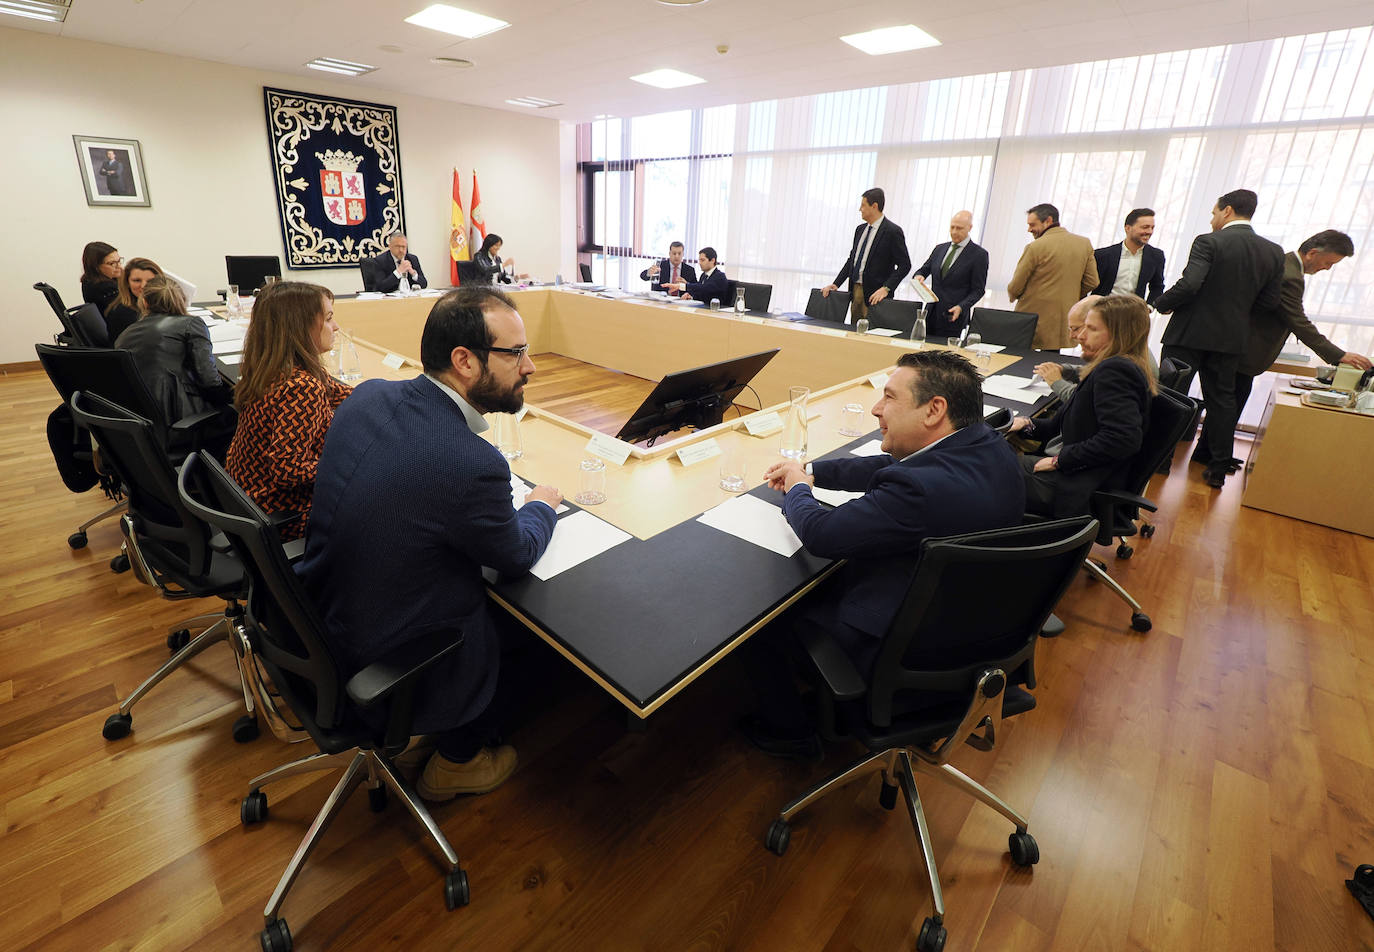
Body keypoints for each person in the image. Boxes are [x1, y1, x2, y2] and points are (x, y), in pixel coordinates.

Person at [299, 286, 561, 801]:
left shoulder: (370, 394)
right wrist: (542, 506)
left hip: (321, 614)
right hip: (386, 653)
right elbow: (515, 553)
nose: (529, 366)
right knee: (533, 633)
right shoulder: (470, 463)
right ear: (464, 361)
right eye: (516, 354)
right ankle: (458, 760)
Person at [739, 350, 1025, 759]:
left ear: (934, 410)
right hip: (974, 622)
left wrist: (799, 490)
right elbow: (891, 468)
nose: (877, 408)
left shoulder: (920, 492)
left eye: (889, 397)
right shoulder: (987, 445)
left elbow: (821, 533)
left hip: (908, 642)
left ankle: (790, 733)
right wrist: (814, 472)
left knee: (762, 615)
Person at [1154, 188, 1284, 489]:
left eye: (1214, 212)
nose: (1212, 219)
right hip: (1230, 339)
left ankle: (1159, 461)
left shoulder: (1208, 241)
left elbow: (1190, 284)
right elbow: (1268, 302)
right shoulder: (1273, 252)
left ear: (1226, 211)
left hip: (1188, 333)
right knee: (1223, 400)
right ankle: (1217, 467)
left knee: (1171, 395)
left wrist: (1159, 303)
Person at [225, 282, 351, 542]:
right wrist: (350, 465)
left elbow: (341, 393)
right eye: (328, 319)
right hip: (281, 515)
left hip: (246, 503)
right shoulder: (301, 387)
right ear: (300, 328)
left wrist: (394, 392)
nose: (336, 326)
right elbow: (288, 470)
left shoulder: (273, 366)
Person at [1010, 295, 1156, 517]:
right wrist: (1025, 424)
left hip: (1077, 483)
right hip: (1076, 472)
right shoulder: (1108, 366)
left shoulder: (1115, 371)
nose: (1081, 336)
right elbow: (1057, 428)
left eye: (1092, 329)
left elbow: (1123, 438)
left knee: (982, 467)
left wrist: (1060, 461)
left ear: (1118, 335)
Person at [1237, 229, 1371, 418]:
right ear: (1312, 253)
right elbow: (1298, 321)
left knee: (1223, 417)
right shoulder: (1290, 275)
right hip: (1243, 354)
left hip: (1240, 351)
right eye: (1329, 263)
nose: (1327, 269)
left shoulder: (1284, 263)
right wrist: (1339, 355)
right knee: (1225, 419)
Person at [113, 275, 234, 450]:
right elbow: (210, 381)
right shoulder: (191, 324)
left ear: (144, 302)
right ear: (182, 299)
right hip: (180, 423)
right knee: (242, 414)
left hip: (137, 424)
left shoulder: (126, 333)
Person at [1007, 203, 1100, 349]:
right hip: (1064, 318)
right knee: (1052, 362)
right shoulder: (1084, 244)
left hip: (1032, 318)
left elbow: (1017, 284)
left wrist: (1013, 295)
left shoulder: (1035, 247)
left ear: (1048, 221)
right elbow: (1093, 281)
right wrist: (1071, 294)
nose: (1029, 229)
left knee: (1022, 363)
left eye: (1032, 224)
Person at [1033, 294, 1159, 401]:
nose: (1077, 336)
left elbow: (1082, 401)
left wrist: (1056, 381)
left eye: (1091, 328)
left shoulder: (1120, 370)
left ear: (1114, 331)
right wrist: (1066, 370)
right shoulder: (1127, 355)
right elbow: (1095, 379)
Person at [821, 187, 912, 325]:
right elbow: (852, 260)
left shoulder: (893, 231)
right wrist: (836, 283)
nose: (860, 209)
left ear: (874, 206)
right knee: (854, 332)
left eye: (863, 205)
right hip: (856, 291)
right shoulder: (860, 230)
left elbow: (905, 265)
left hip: (877, 296)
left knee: (872, 334)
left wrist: (887, 288)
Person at [912, 209, 988, 338]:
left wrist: (961, 307)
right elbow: (924, 269)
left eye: (959, 228)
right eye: (952, 227)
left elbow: (978, 290)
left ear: (969, 228)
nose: (954, 232)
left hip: (953, 316)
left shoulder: (979, 255)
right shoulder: (940, 249)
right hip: (931, 313)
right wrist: (919, 276)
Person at [1092, 208, 1166, 305]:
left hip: (1133, 315)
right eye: (1145, 227)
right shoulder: (1103, 255)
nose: (1150, 231)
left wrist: (1149, 307)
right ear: (1128, 228)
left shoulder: (1156, 256)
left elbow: (1157, 287)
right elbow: (1090, 284)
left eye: (1152, 227)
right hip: (1102, 311)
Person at [104, 256, 163, 341]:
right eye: (137, 280)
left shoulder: (154, 305)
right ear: (127, 283)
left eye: (150, 281)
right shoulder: (123, 313)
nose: (143, 286)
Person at [79, 241, 122, 314]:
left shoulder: (89, 280)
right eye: (112, 263)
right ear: (96, 267)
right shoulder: (106, 288)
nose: (119, 267)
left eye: (119, 261)